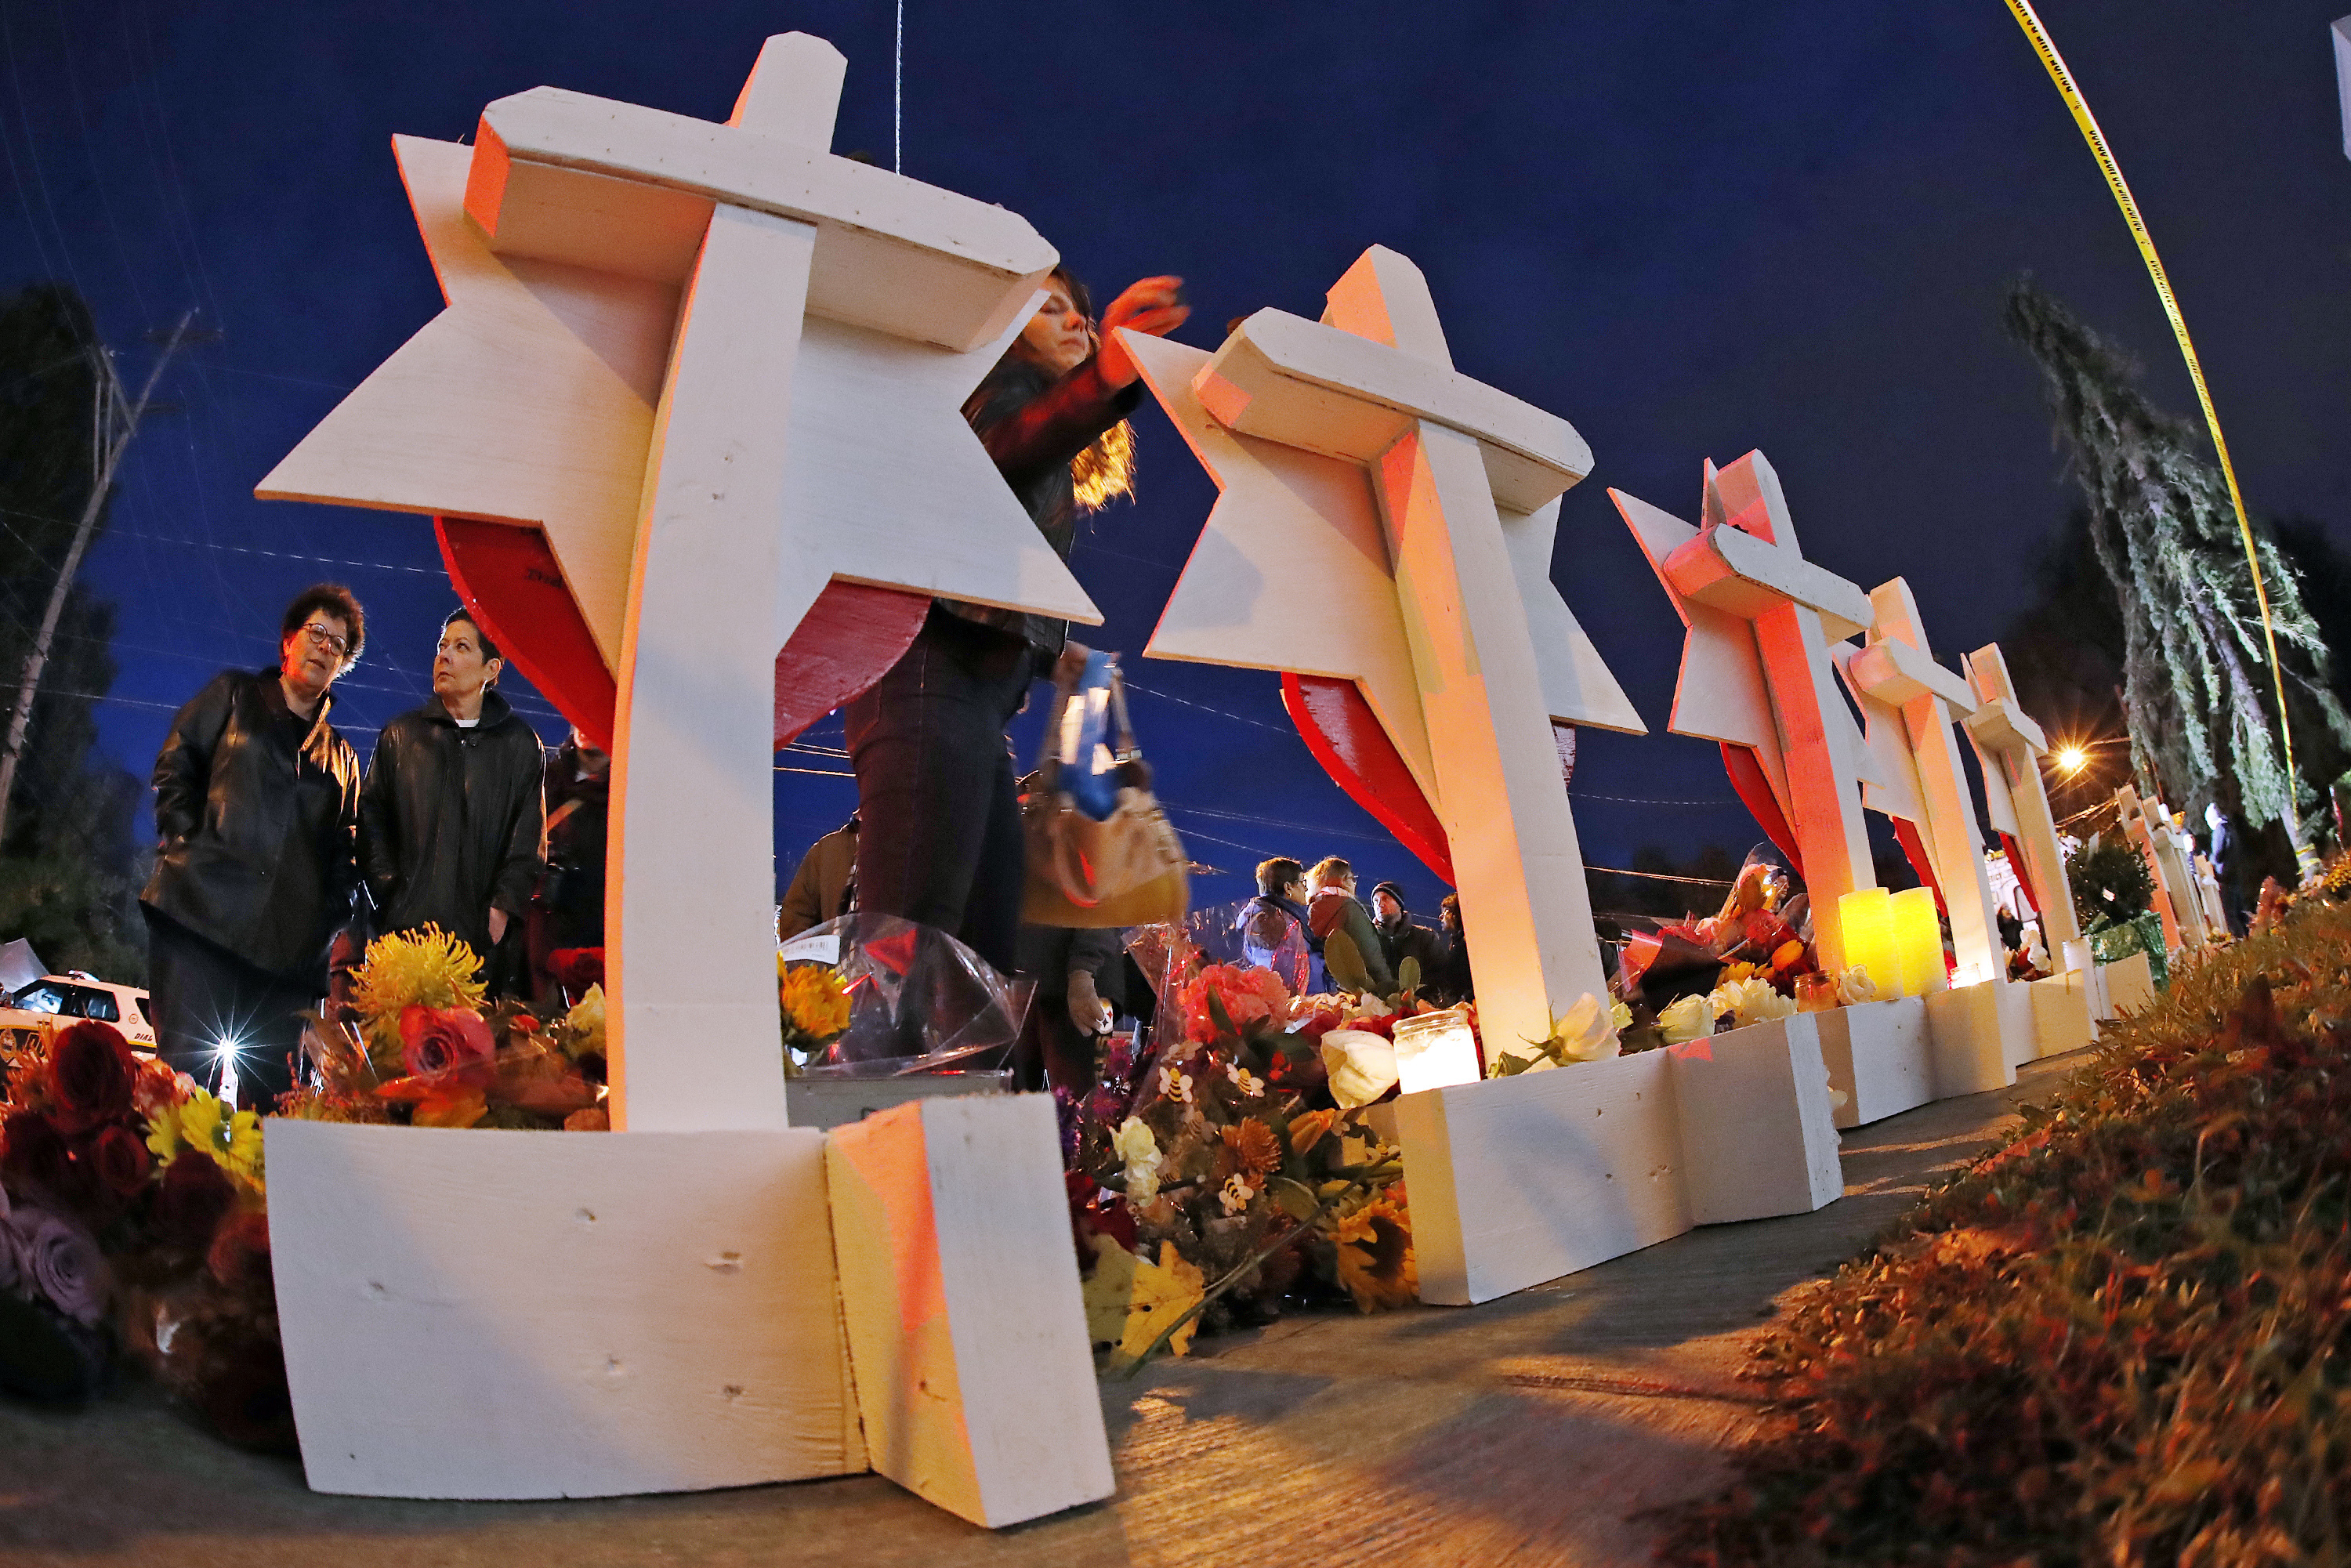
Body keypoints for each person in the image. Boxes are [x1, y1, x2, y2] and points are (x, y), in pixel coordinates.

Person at [846, 266, 1190, 976]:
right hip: (923, 679)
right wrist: (1104, 378)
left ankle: (955, 1083)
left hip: (969, 698)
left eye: (1082, 315)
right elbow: (1005, 450)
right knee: (914, 933)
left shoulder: (1033, 423)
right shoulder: (988, 390)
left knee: (980, 941)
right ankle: (872, 1081)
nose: (1077, 324)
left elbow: (990, 536)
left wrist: (1049, 645)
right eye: (1050, 308)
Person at [141, 585, 368, 1108]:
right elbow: (177, 763)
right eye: (317, 632)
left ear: (341, 666)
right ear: (288, 641)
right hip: (200, 924)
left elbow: (348, 852)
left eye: (338, 644)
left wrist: (325, 917)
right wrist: (186, 842)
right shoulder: (233, 695)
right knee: (180, 1089)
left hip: (288, 960)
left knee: (277, 1107)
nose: (324, 646)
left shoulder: (345, 759)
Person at [358, 609, 545, 989]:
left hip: (479, 953)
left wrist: (500, 912)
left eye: (461, 647)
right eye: (442, 645)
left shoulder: (520, 745)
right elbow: (371, 821)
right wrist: (391, 893)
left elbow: (528, 842)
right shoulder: (401, 736)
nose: (444, 655)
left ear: (491, 669)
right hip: (402, 943)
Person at [531, 726, 609, 1007]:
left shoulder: (628, 791)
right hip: (544, 928)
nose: (583, 724)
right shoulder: (545, 777)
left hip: (597, 931)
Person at [1306, 856, 1395, 996]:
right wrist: (1390, 989)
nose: (1354, 884)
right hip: (1358, 992)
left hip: (1327, 991)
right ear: (1344, 880)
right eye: (1353, 879)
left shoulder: (1312, 908)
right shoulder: (1349, 908)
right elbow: (1370, 953)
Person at [1236, 856, 1320, 995]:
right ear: (1288, 887)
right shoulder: (1278, 920)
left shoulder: (1258, 914)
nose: (1306, 889)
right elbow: (1296, 970)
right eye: (1302, 882)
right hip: (1300, 1000)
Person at [777, 817, 858, 942]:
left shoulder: (896, 846)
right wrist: (808, 959)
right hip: (837, 957)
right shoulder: (828, 849)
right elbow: (796, 916)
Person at [1369, 879, 1443, 983]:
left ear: (1399, 904)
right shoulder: (1368, 938)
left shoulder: (1425, 937)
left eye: (1385, 899)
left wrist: (1423, 996)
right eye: (1375, 901)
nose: (1379, 904)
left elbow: (1439, 974)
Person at [1427, 893, 1473, 1005]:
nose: (1440, 917)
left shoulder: (1466, 944)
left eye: (1445, 911)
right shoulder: (1457, 942)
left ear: (1456, 914)